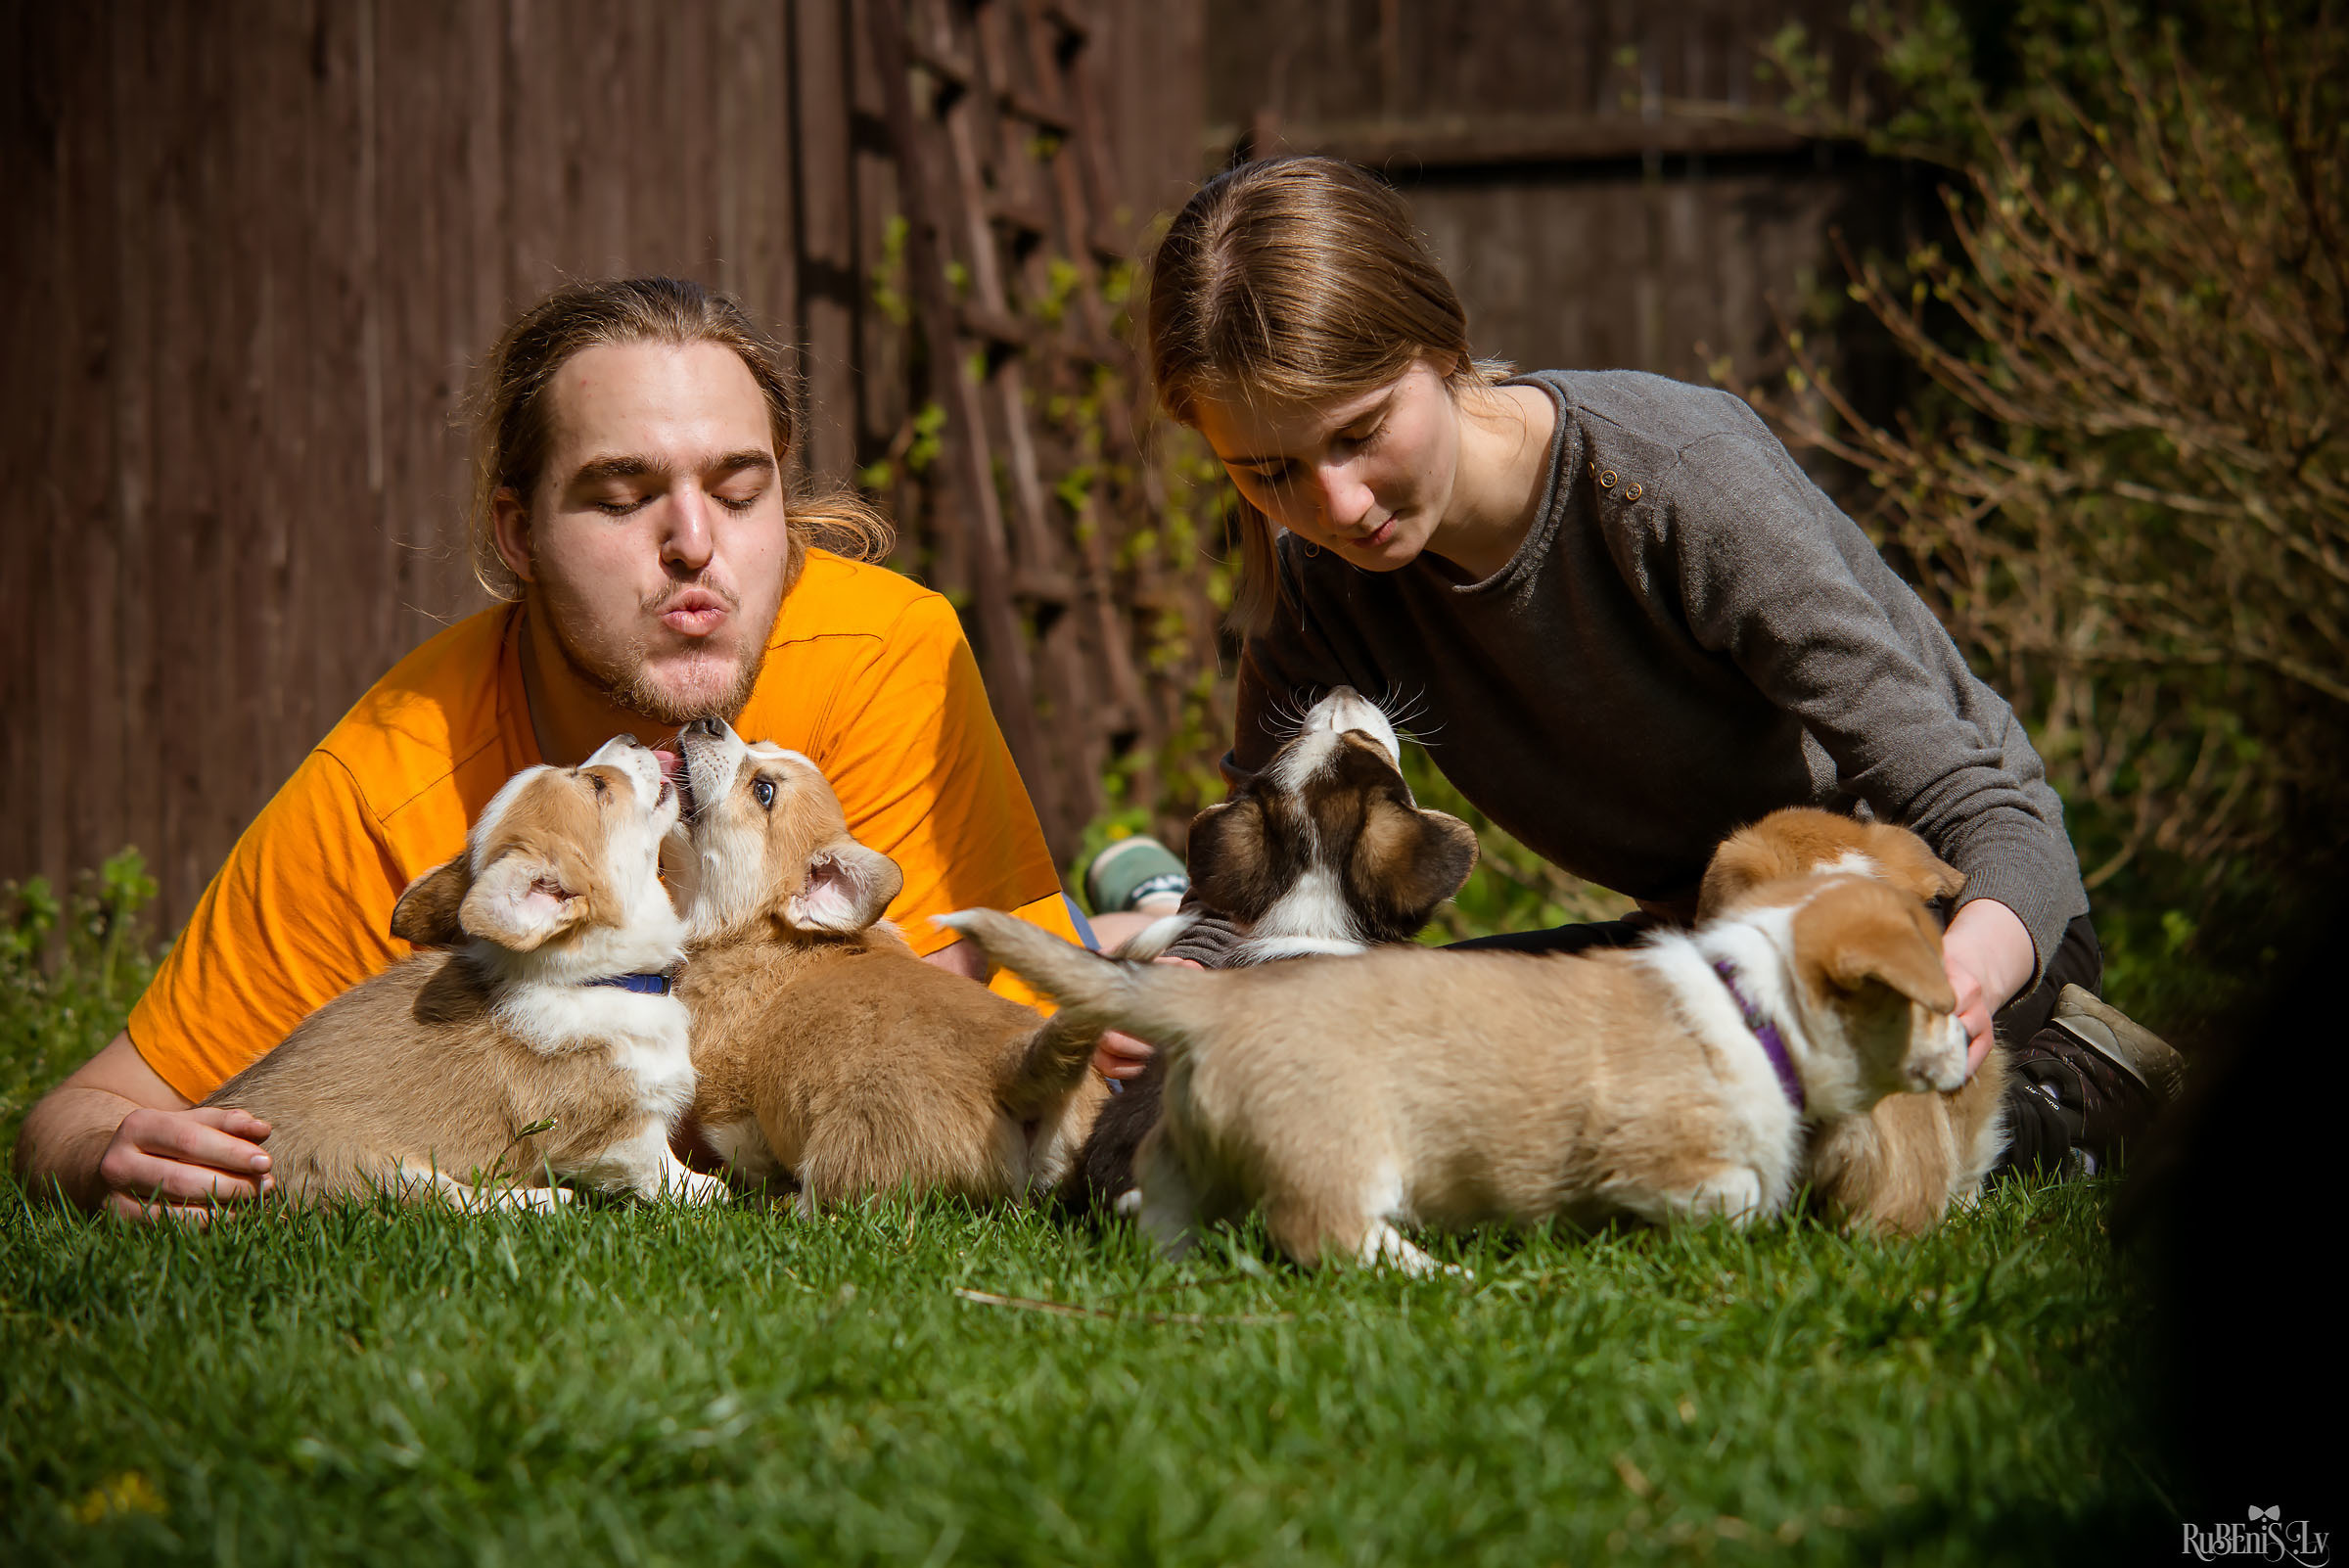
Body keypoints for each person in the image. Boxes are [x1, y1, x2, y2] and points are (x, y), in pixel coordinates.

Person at [1089, 156, 2179, 1173]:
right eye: (1268, 470)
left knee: (1706, 1149)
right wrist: (1188, 984)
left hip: (1918, 934)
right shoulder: (1317, 589)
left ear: (1440, 343)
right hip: (1692, 958)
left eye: (1361, 430)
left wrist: (1957, 981)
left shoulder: (1677, 484)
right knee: (1336, 1042)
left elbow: (1996, 823)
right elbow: (1258, 899)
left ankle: (2063, 1086)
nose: (1335, 506)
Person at [17, 276, 1099, 1222]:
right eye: (622, 498)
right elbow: (85, 1111)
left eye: (739, 490)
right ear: (518, 533)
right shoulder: (391, 779)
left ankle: (1143, 899)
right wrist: (100, 1155)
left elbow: (955, 1025)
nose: (694, 545)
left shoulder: (888, 651)